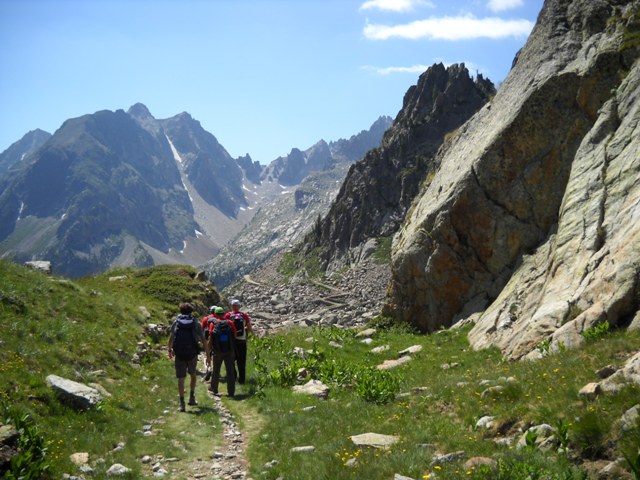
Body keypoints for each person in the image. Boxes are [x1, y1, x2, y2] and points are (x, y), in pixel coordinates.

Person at [168, 302, 207, 412]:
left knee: (181, 378)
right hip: (192, 353)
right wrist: (208, 355)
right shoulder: (195, 322)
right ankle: (191, 397)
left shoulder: (176, 322)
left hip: (179, 353)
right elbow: (203, 339)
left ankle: (182, 404)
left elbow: (171, 337)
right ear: (191, 311)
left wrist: (170, 350)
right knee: (193, 374)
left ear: (181, 311)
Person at [208, 306, 237, 397]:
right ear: (224, 314)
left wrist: (209, 351)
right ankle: (231, 392)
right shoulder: (230, 322)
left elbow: (210, 338)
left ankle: (214, 388)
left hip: (217, 351)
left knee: (216, 370)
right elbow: (235, 335)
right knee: (230, 371)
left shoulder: (213, 323)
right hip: (229, 350)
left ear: (215, 314)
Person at [225, 299, 252, 385]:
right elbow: (249, 327)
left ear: (231, 306)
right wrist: (252, 334)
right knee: (241, 361)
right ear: (239, 306)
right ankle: (242, 380)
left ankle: (234, 376)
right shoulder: (244, 315)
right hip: (242, 341)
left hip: (231, 341)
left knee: (231, 360)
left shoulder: (227, 315)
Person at [201, 306, 217, 382]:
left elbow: (202, 328)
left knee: (207, 354)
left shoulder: (206, 318)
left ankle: (208, 368)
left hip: (208, 339)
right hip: (218, 341)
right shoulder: (220, 319)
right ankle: (215, 370)